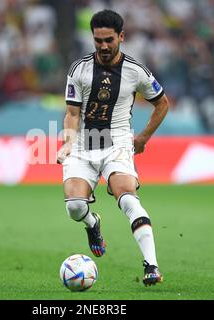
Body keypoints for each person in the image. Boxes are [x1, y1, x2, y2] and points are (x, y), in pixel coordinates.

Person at [57, 9, 169, 286]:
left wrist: (142, 138)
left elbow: (162, 103)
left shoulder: (135, 71)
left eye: (109, 40)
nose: (104, 46)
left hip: (117, 143)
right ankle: (92, 224)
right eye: (98, 41)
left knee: (128, 196)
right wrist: (67, 143)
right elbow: (72, 114)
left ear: (121, 36)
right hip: (83, 144)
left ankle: (152, 266)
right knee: (74, 207)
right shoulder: (78, 69)